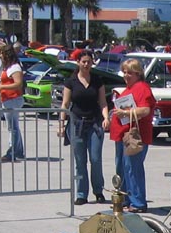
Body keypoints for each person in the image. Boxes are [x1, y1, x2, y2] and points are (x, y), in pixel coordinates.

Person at [59, 51, 109, 204]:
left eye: (89, 62)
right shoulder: (71, 81)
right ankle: (81, 194)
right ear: (78, 62)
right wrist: (61, 124)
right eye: (84, 62)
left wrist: (106, 118)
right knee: (80, 161)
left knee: (95, 159)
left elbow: (103, 102)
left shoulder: (97, 81)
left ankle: (98, 191)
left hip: (95, 124)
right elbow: (65, 104)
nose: (86, 64)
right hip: (76, 124)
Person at [111, 58, 155, 213]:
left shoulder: (142, 88)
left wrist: (125, 113)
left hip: (135, 136)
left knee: (133, 168)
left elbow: (145, 110)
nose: (126, 75)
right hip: (123, 135)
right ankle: (125, 199)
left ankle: (138, 202)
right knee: (123, 168)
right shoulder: (129, 88)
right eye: (124, 72)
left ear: (138, 73)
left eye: (129, 72)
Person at [0, 41, 25, 162]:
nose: (0, 56)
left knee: (12, 127)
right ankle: (19, 151)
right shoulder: (9, 67)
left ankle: (12, 152)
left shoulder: (15, 67)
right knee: (14, 126)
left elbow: (18, 84)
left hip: (13, 99)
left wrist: (2, 87)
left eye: (2, 54)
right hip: (8, 99)